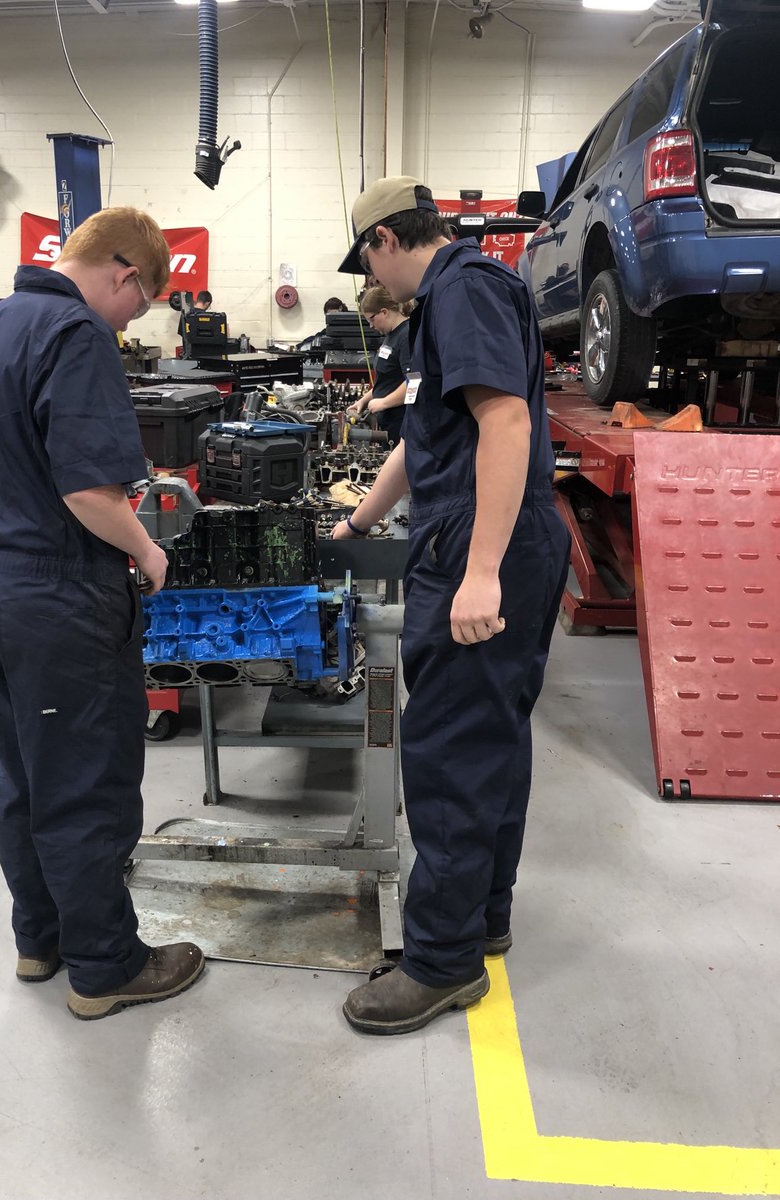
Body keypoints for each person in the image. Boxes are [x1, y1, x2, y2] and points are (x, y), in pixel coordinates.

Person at [0, 207, 204, 1021]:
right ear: (124, 273)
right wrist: (150, 552)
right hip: (59, 592)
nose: (134, 319)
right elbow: (90, 492)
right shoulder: (76, 332)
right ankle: (106, 966)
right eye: (144, 300)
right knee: (86, 782)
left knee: (24, 771)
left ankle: (42, 938)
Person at [333, 176, 570, 1035]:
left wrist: (481, 571)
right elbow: (425, 437)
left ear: (385, 242)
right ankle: (483, 915)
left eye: (368, 261)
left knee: (449, 753)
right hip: (496, 530)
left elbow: (505, 423)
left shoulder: (459, 291)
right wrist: (355, 522)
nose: (373, 283)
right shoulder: (458, 296)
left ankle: (441, 962)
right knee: (491, 738)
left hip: (482, 536)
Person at [345, 284, 412, 446]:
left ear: (384, 312)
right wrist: (364, 400)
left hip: (401, 423)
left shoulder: (407, 336)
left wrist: (383, 402)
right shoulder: (391, 335)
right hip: (387, 421)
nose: (371, 326)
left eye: (372, 319)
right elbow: (387, 381)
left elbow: (414, 382)